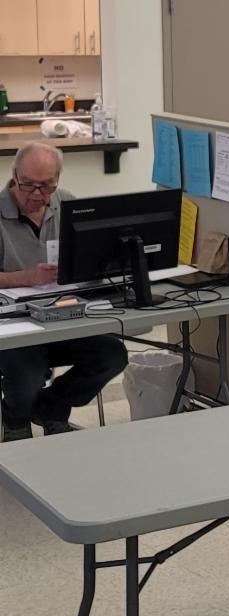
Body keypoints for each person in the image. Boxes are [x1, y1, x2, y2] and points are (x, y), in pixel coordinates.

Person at [0, 142, 127, 442]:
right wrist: (26, 277)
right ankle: (16, 423)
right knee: (29, 373)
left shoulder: (68, 204)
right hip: (14, 327)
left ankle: (52, 407)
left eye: (46, 186)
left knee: (112, 355)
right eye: (28, 184)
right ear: (15, 175)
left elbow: (92, 258)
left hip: (63, 317)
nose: (36, 194)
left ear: (57, 180)